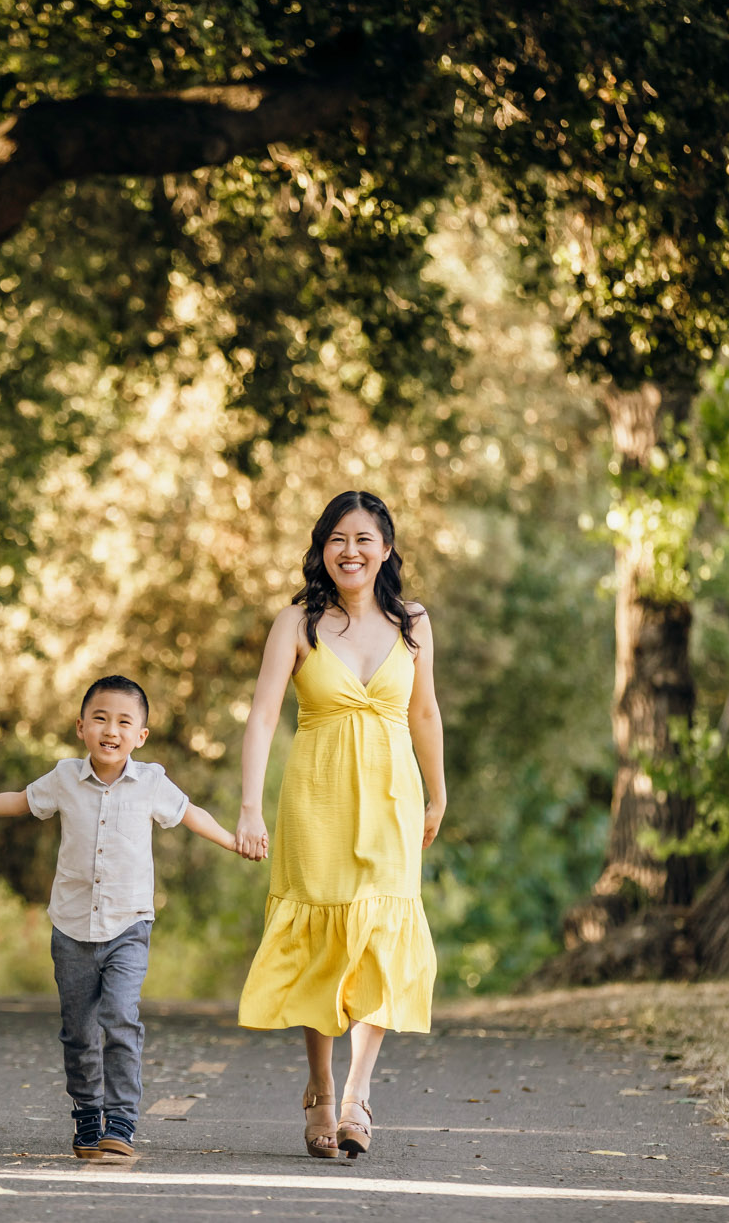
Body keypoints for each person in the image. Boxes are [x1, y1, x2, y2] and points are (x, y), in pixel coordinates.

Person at [0, 674, 249, 1160]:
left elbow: (192, 814)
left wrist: (233, 841)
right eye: (101, 718)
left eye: (125, 722)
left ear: (140, 736)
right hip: (71, 929)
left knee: (121, 1017)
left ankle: (121, 1121)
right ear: (81, 726)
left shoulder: (151, 782)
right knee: (79, 1029)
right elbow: (21, 802)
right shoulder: (64, 777)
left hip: (129, 926)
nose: (112, 729)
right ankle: (87, 1114)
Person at [233, 491, 447, 1159]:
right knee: (324, 940)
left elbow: (425, 715)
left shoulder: (413, 621)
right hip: (316, 799)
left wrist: (438, 797)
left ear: (386, 548)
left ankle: (357, 1094)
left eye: (363, 538)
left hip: (392, 798)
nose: (349, 550)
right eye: (337, 539)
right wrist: (248, 804)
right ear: (322, 549)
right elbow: (265, 715)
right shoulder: (297, 622)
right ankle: (320, 1087)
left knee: (383, 937)